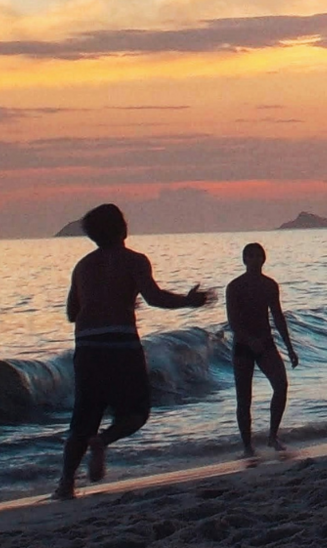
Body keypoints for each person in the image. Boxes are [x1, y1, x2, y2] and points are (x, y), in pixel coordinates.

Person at [57, 203, 209, 500]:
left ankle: (65, 484)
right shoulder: (135, 260)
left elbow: (72, 313)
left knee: (82, 420)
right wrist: (188, 302)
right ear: (122, 228)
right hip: (121, 344)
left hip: (87, 345)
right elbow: (155, 297)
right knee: (137, 413)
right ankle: (103, 441)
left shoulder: (83, 266)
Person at [226, 242, 299, 456]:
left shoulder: (269, 285)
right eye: (251, 256)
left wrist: (290, 348)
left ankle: (272, 436)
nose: (256, 260)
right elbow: (233, 322)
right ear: (244, 259)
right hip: (242, 346)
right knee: (244, 398)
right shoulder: (235, 286)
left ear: (264, 259)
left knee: (281, 385)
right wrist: (249, 340)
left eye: (259, 256)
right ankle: (247, 446)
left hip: (266, 343)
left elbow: (277, 317)